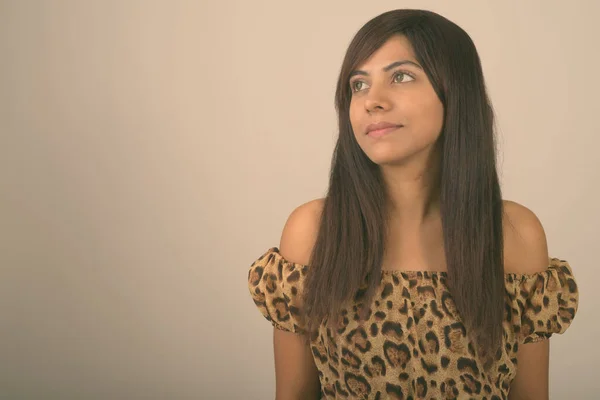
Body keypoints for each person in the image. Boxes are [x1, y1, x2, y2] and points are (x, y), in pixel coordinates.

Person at [247, 9, 579, 400]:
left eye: (401, 76)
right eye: (358, 84)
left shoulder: (514, 234)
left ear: (454, 91)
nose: (372, 101)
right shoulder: (312, 231)